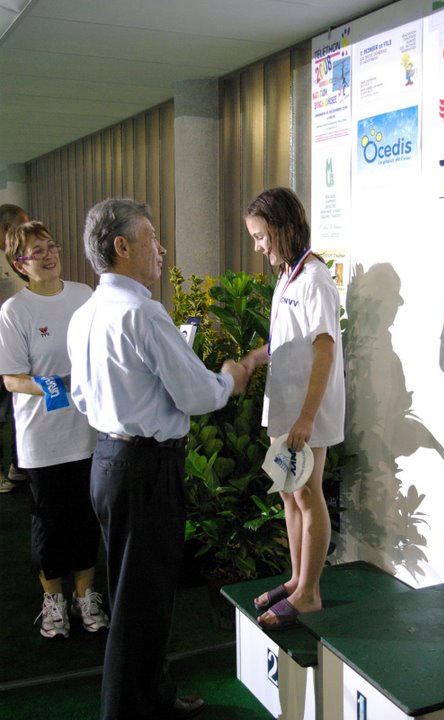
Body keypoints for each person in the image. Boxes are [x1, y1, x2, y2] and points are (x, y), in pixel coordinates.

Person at [67, 198, 248, 720]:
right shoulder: (142, 313)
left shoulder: (85, 314)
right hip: (145, 469)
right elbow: (197, 395)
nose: (162, 249)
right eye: (152, 237)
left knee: (139, 595)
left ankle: (154, 699)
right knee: (138, 605)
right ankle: (129, 710)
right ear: (122, 246)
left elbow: (81, 397)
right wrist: (231, 378)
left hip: (109, 460)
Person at [241, 187, 345, 629]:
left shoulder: (315, 278)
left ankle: (310, 592)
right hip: (283, 406)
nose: (257, 247)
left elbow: (325, 349)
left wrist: (307, 416)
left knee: (306, 492)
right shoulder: (289, 275)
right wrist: (252, 360)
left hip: (306, 410)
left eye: (260, 236)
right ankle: (297, 578)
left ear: (284, 229)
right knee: (288, 491)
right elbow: (286, 340)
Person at [0, 221, 109, 638]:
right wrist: (56, 386)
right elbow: (12, 378)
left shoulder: (84, 296)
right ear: (19, 264)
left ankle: (85, 596)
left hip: (87, 433)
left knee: (85, 520)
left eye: (51, 246)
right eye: (37, 251)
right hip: (41, 440)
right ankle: (53, 602)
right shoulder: (15, 311)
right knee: (49, 524)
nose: (49, 255)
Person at [0, 203, 29, 492]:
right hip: (1, 346)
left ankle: (18, 466)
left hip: (20, 344)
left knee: (18, 406)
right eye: (22, 225)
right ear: (7, 229)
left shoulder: (17, 258)